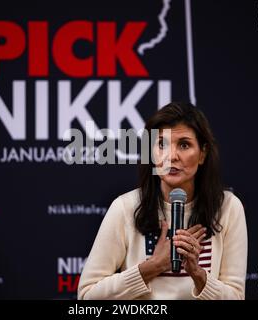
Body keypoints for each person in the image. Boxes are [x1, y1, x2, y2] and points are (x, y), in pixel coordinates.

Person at [77, 102, 248, 300]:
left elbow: (236, 297)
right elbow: (87, 296)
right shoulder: (125, 207)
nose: (171, 156)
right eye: (161, 144)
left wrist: (198, 274)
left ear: (202, 153)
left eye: (184, 145)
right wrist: (153, 266)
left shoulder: (227, 208)